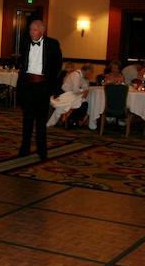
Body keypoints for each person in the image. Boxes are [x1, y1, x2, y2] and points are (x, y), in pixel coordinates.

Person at [16, 19, 63, 160]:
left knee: (41, 120)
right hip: (28, 86)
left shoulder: (52, 44)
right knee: (27, 119)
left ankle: (42, 151)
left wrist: (50, 84)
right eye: (30, 29)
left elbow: (57, 65)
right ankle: (25, 149)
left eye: (34, 30)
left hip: (43, 86)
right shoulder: (25, 43)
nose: (31, 32)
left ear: (42, 30)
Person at [47, 62, 93, 127]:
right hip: (64, 94)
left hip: (71, 95)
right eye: (91, 71)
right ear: (88, 70)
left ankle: (71, 121)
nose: (91, 73)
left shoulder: (82, 76)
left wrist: (86, 90)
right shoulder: (76, 75)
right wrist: (83, 91)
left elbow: (86, 85)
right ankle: (71, 121)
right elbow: (75, 90)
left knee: (84, 103)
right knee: (83, 104)